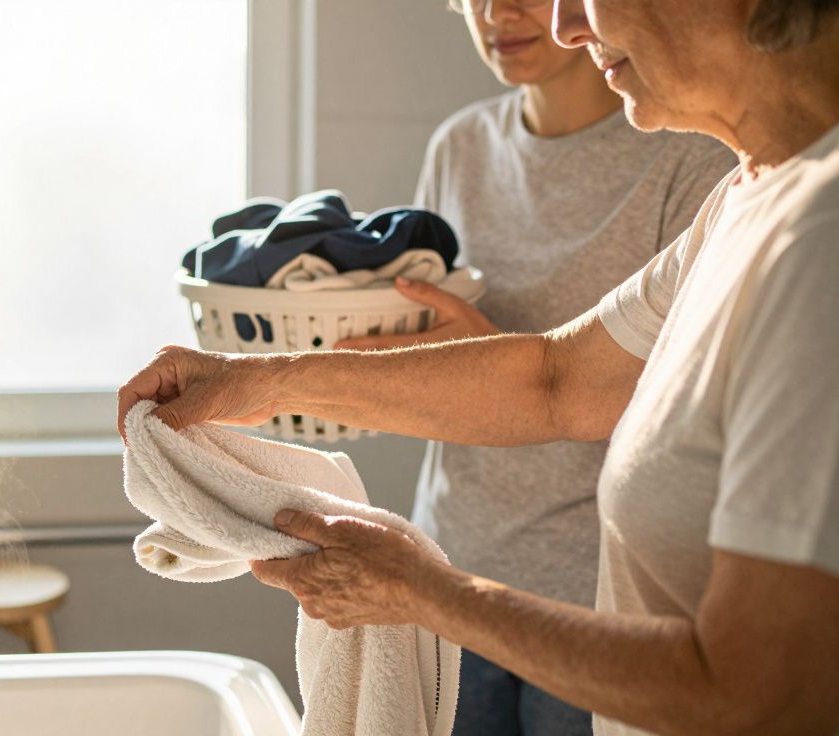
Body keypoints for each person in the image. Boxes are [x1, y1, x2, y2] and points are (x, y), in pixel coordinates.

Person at [117, 0, 839, 732]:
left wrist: (425, 593)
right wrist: (255, 378)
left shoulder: (822, 235)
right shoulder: (747, 198)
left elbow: (759, 691)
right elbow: (555, 380)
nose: (568, 27)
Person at [333, 0, 733, 729]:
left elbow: (684, 420)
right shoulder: (461, 146)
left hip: (597, 601)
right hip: (450, 570)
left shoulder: (693, 157)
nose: (496, 14)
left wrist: (486, 352)